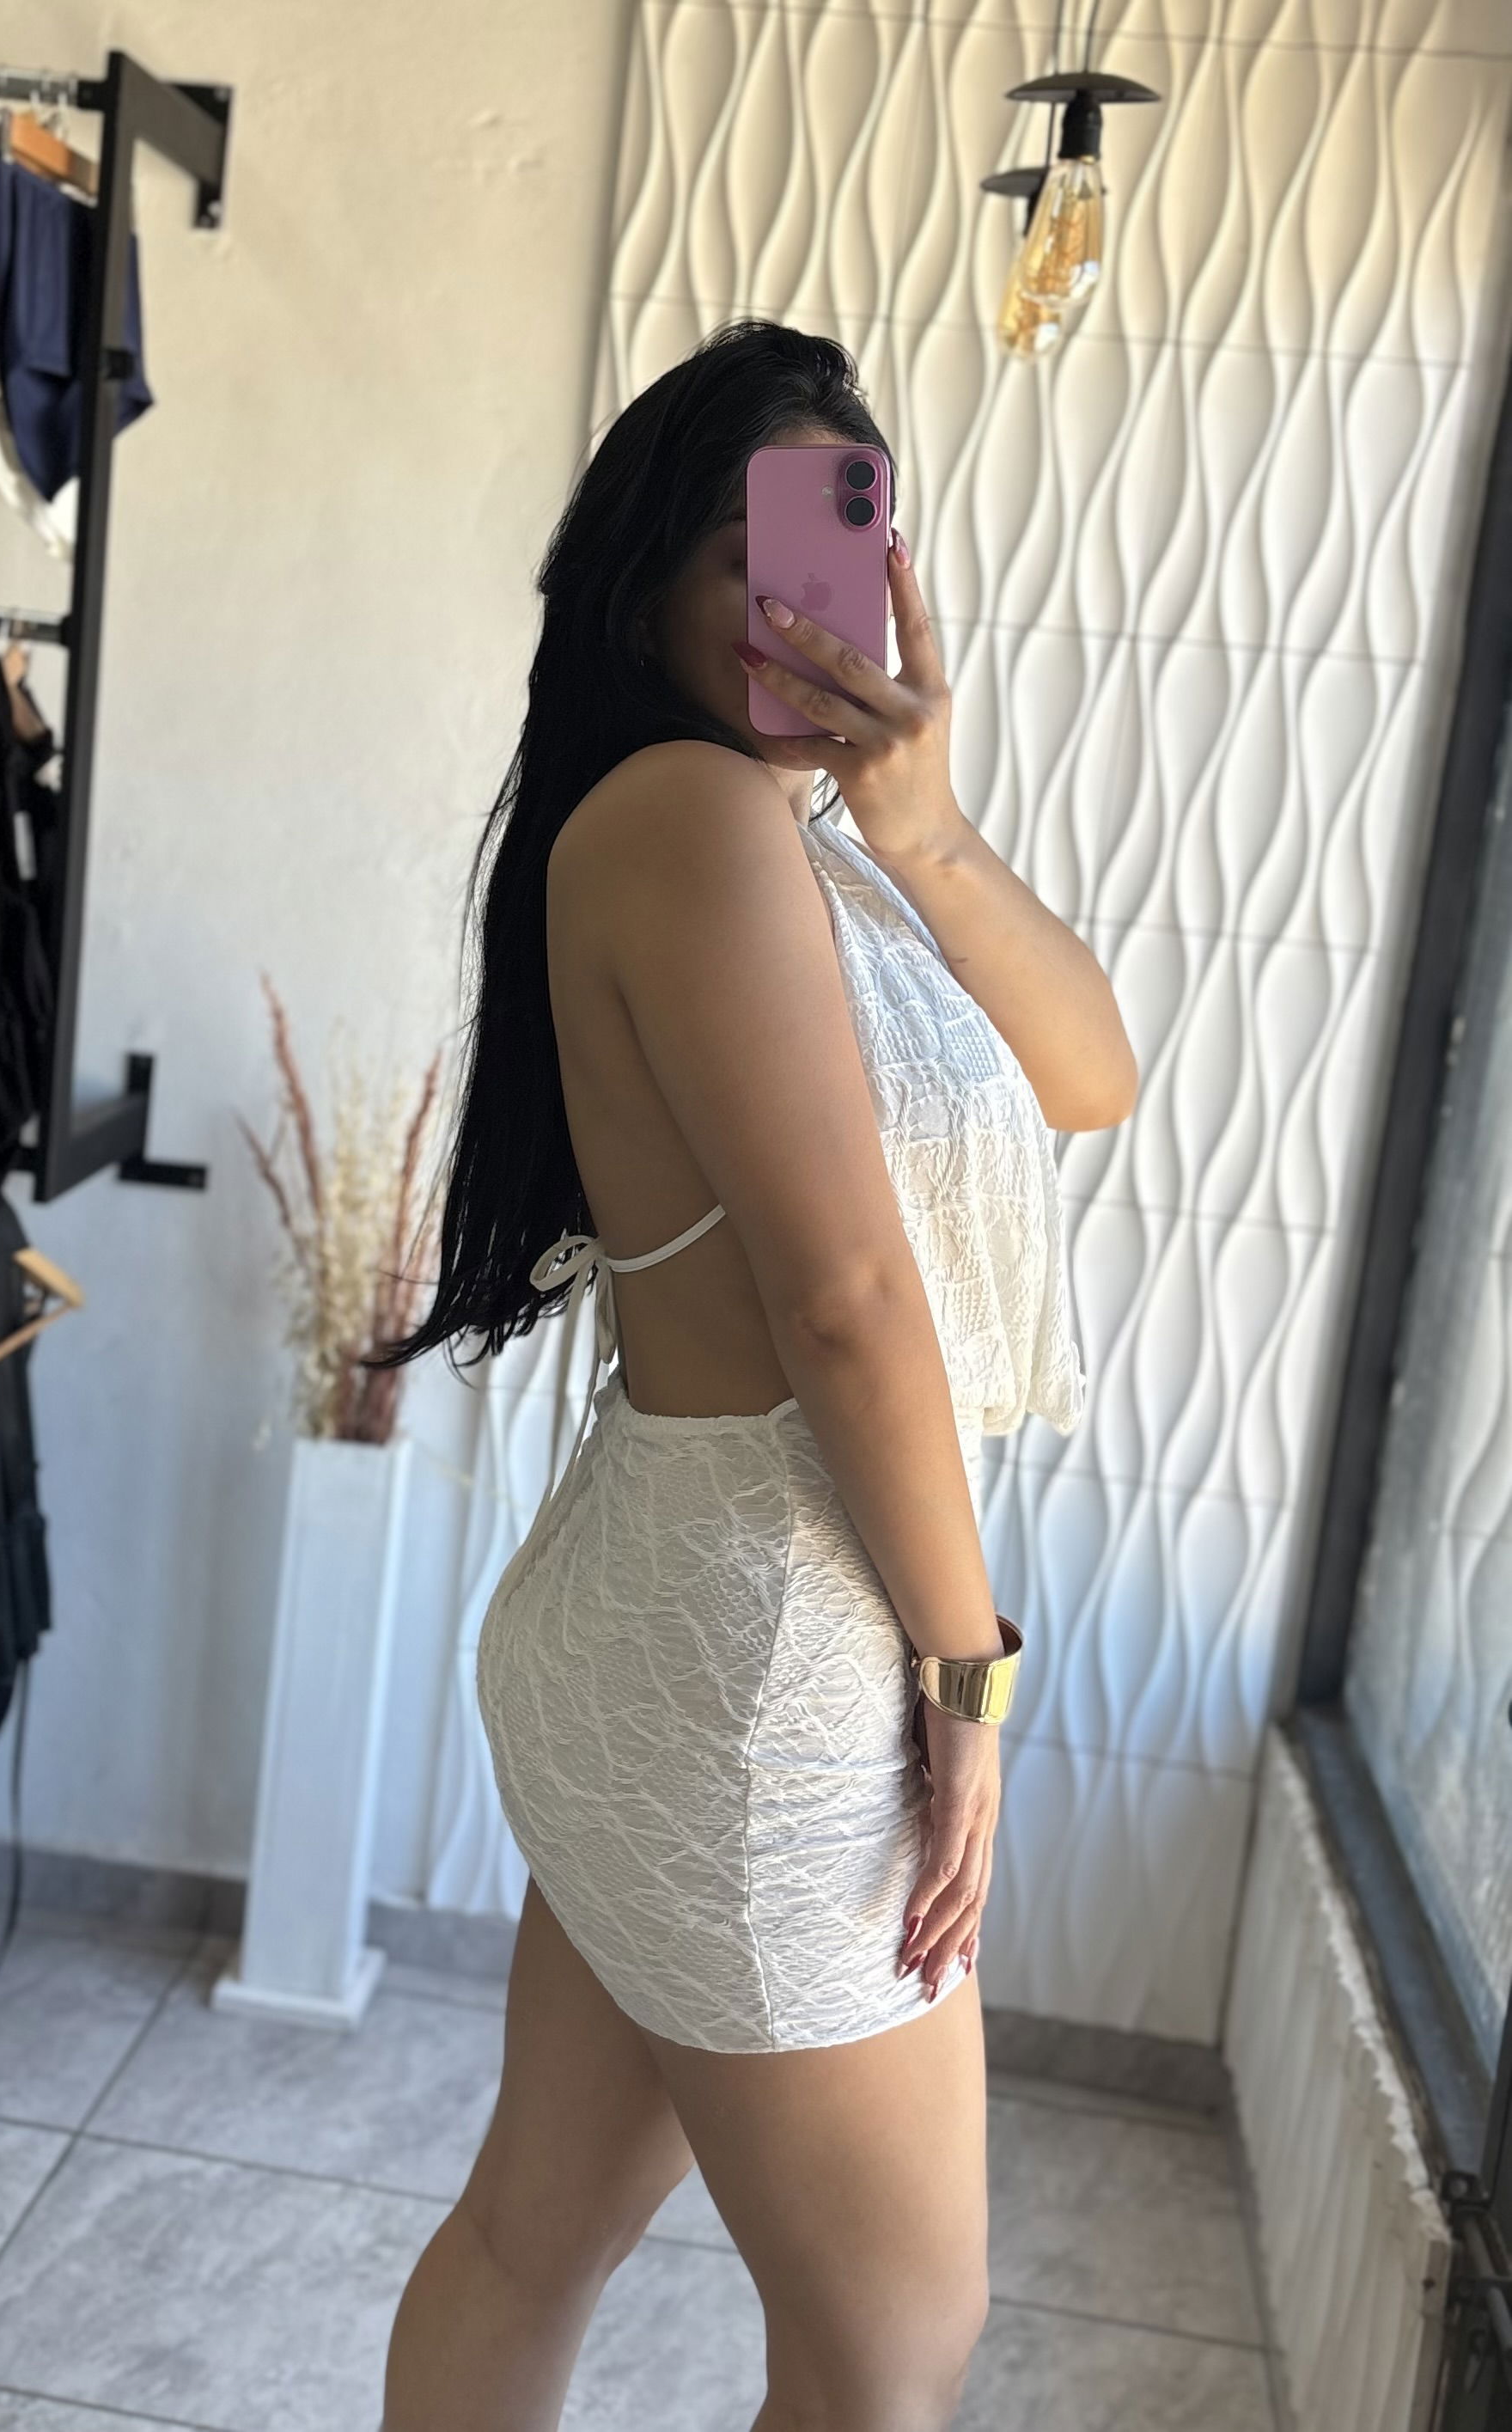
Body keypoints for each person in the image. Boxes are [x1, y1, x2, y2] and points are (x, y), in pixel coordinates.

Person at [367, 319, 1137, 2432]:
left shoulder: (814, 850)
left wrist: (926, 817)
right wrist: (968, 1677)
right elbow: (847, 1301)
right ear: (641, 587)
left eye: (850, 546)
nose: (819, 601)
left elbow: (1090, 1075)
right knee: (896, 2347)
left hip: (701, 1624)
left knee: (535, 2233)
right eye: (758, 550)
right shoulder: (692, 817)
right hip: (781, 1667)